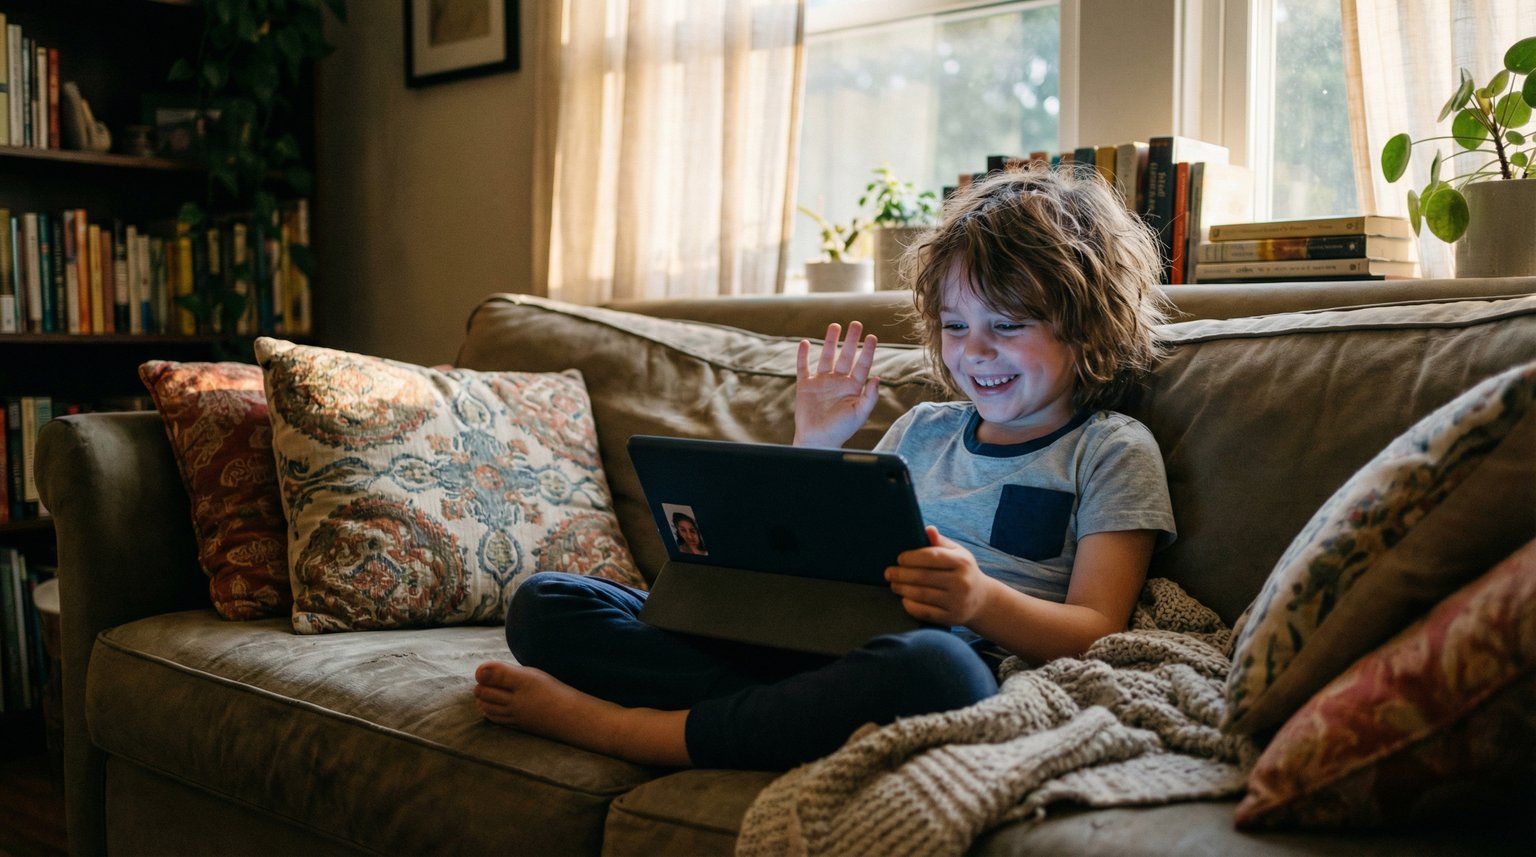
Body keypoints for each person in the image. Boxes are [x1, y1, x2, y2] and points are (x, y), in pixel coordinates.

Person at [474, 164, 1176, 771]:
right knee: (547, 604)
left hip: (947, 660)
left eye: (1008, 325)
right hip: (814, 648)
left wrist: (982, 601)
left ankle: (627, 728)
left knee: (937, 671)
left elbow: (1098, 632)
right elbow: (810, 559)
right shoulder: (922, 428)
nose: (976, 352)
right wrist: (814, 442)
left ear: (1087, 323)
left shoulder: (1112, 449)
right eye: (957, 326)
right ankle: (783, 718)